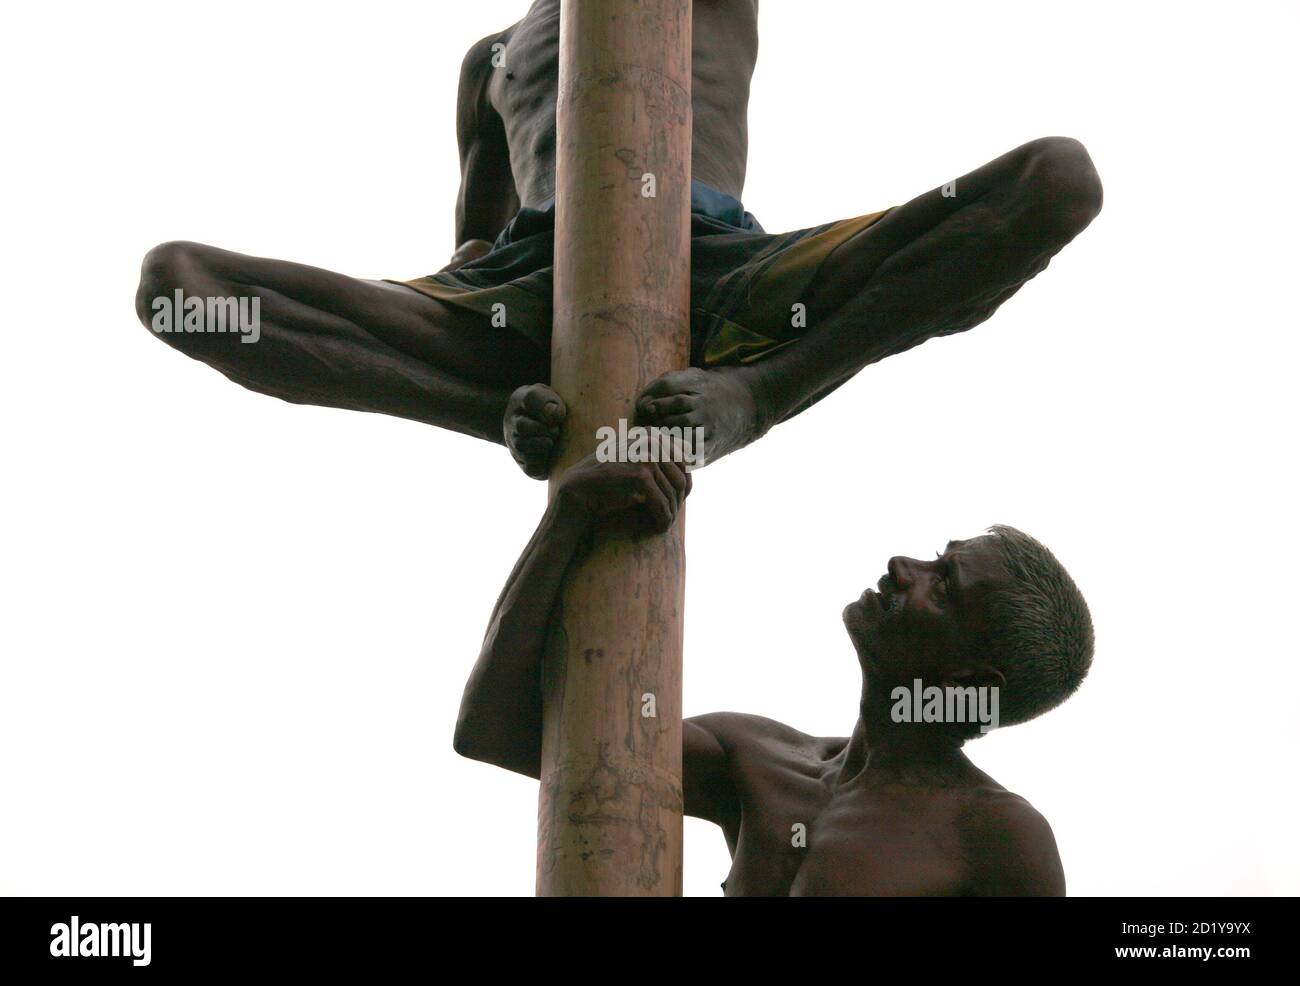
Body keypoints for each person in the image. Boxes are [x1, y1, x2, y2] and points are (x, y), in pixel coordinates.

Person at [133, 1, 1102, 475]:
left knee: (1051, 183)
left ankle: (758, 393)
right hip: (527, 283)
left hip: (714, 259)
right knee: (177, 286)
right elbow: (473, 252)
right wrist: (486, 363)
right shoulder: (492, 62)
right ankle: (509, 409)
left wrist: (751, 391)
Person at [455, 455, 1094, 895]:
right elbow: (498, 732)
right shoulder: (758, 758)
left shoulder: (996, 834)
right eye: (934, 559)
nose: (904, 566)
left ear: (964, 683)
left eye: (944, 586)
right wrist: (566, 517)